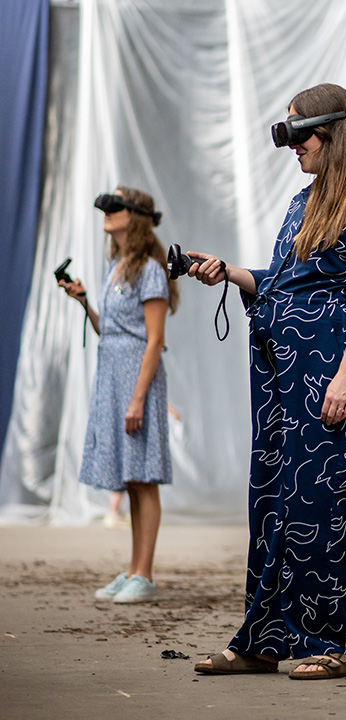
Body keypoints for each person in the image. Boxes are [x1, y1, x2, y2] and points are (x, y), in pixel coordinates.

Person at [187, 83, 346, 680]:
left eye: (296, 134)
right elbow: (285, 283)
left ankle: (329, 643)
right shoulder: (303, 203)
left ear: (330, 132)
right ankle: (264, 638)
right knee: (272, 503)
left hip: (329, 376)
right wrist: (231, 272)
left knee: (321, 505)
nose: (290, 147)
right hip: (281, 376)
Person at [60, 187, 176, 603]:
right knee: (130, 479)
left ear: (137, 216)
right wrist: (86, 302)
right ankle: (132, 570)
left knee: (144, 479)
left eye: (117, 207)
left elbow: (154, 340)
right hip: (112, 378)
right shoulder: (116, 266)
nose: (107, 214)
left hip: (136, 382)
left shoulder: (150, 270)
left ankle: (144, 575)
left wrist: (138, 398)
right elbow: (109, 331)